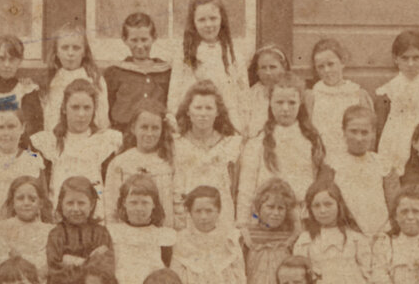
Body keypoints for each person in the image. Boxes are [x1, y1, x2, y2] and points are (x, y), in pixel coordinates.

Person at [237, 79, 328, 215]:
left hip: (302, 216)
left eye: (292, 103)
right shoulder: (257, 142)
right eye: (279, 102)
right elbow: (246, 189)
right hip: (267, 218)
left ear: (300, 103)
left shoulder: (312, 140)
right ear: (270, 103)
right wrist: (243, 223)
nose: (285, 108)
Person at [167, 0, 247, 130]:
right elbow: (175, 94)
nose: (208, 24)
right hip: (194, 122)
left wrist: (243, 125)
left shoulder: (234, 55)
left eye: (213, 18)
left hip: (227, 123)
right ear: (193, 22)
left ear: (222, 19)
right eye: (202, 20)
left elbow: (243, 95)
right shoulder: (185, 55)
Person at [372, 28, 419, 177]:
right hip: (394, 156)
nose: (410, 64)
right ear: (395, 58)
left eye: (416, 58)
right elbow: (379, 131)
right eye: (405, 58)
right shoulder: (386, 93)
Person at [296, 180, 376, 284]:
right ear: (310, 209)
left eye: (328, 204)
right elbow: (301, 275)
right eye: (316, 206)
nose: (323, 210)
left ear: (339, 205)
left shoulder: (355, 238)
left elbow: (367, 272)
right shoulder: (305, 240)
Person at [171, 185, 246, 284]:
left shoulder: (230, 238)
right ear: (190, 212)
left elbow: (240, 276)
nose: (203, 217)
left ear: (218, 212)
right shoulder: (181, 239)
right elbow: (177, 280)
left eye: (209, 211)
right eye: (198, 211)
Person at [170, 82, 242, 226]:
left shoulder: (232, 144)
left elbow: (236, 187)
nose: (203, 113)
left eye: (209, 108)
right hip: (186, 216)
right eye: (198, 108)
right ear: (188, 111)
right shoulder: (176, 143)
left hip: (222, 216)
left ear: (217, 112)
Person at [37, 78, 119, 194]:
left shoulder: (105, 142)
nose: (81, 114)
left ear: (94, 109)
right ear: (64, 109)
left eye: (87, 108)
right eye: (75, 107)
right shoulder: (49, 143)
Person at [102, 104, 178, 229]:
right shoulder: (120, 163)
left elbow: (177, 201)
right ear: (133, 128)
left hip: (162, 233)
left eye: (155, 128)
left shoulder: (169, 161)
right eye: (144, 127)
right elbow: (111, 206)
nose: (149, 133)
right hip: (128, 235)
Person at [0, 105, 47, 227]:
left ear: (22, 128)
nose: (6, 133)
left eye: (11, 127)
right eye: (0, 127)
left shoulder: (33, 159)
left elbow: (44, 203)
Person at [107, 173, 175, 284]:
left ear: (154, 204)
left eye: (145, 202)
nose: (139, 208)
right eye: (133, 202)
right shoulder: (113, 233)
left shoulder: (163, 235)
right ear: (124, 204)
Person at [306, 38, 374, 172]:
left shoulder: (358, 95)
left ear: (342, 62)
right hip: (322, 163)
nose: (326, 70)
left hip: (353, 162)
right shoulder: (312, 96)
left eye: (331, 64)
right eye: (321, 66)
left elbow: (370, 134)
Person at [45, 176, 112, 284]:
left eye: (81, 203)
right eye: (70, 203)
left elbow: (105, 268)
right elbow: (54, 268)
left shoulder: (100, 233)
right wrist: (89, 261)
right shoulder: (56, 234)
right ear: (61, 204)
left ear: (92, 204)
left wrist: (74, 261)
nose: (75, 209)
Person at [101, 11, 171, 131]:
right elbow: (107, 105)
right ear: (124, 40)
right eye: (134, 40)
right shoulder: (115, 72)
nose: (139, 46)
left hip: (154, 132)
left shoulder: (165, 72)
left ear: (154, 38)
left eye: (144, 40)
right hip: (123, 131)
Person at [331, 107, 391, 243]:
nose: (359, 138)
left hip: (382, 234)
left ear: (373, 134)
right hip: (347, 235)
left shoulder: (382, 164)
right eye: (353, 131)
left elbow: (394, 203)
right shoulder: (333, 165)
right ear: (343, 132)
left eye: (365, 132)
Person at [39, 23, 108, 135]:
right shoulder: (51, 79)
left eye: (76, 48)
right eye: (65, 48)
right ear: (56, 52)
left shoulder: (94, 79)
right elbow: (48, 117)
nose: (70, 53)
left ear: (84, 52)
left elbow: (102, 117)